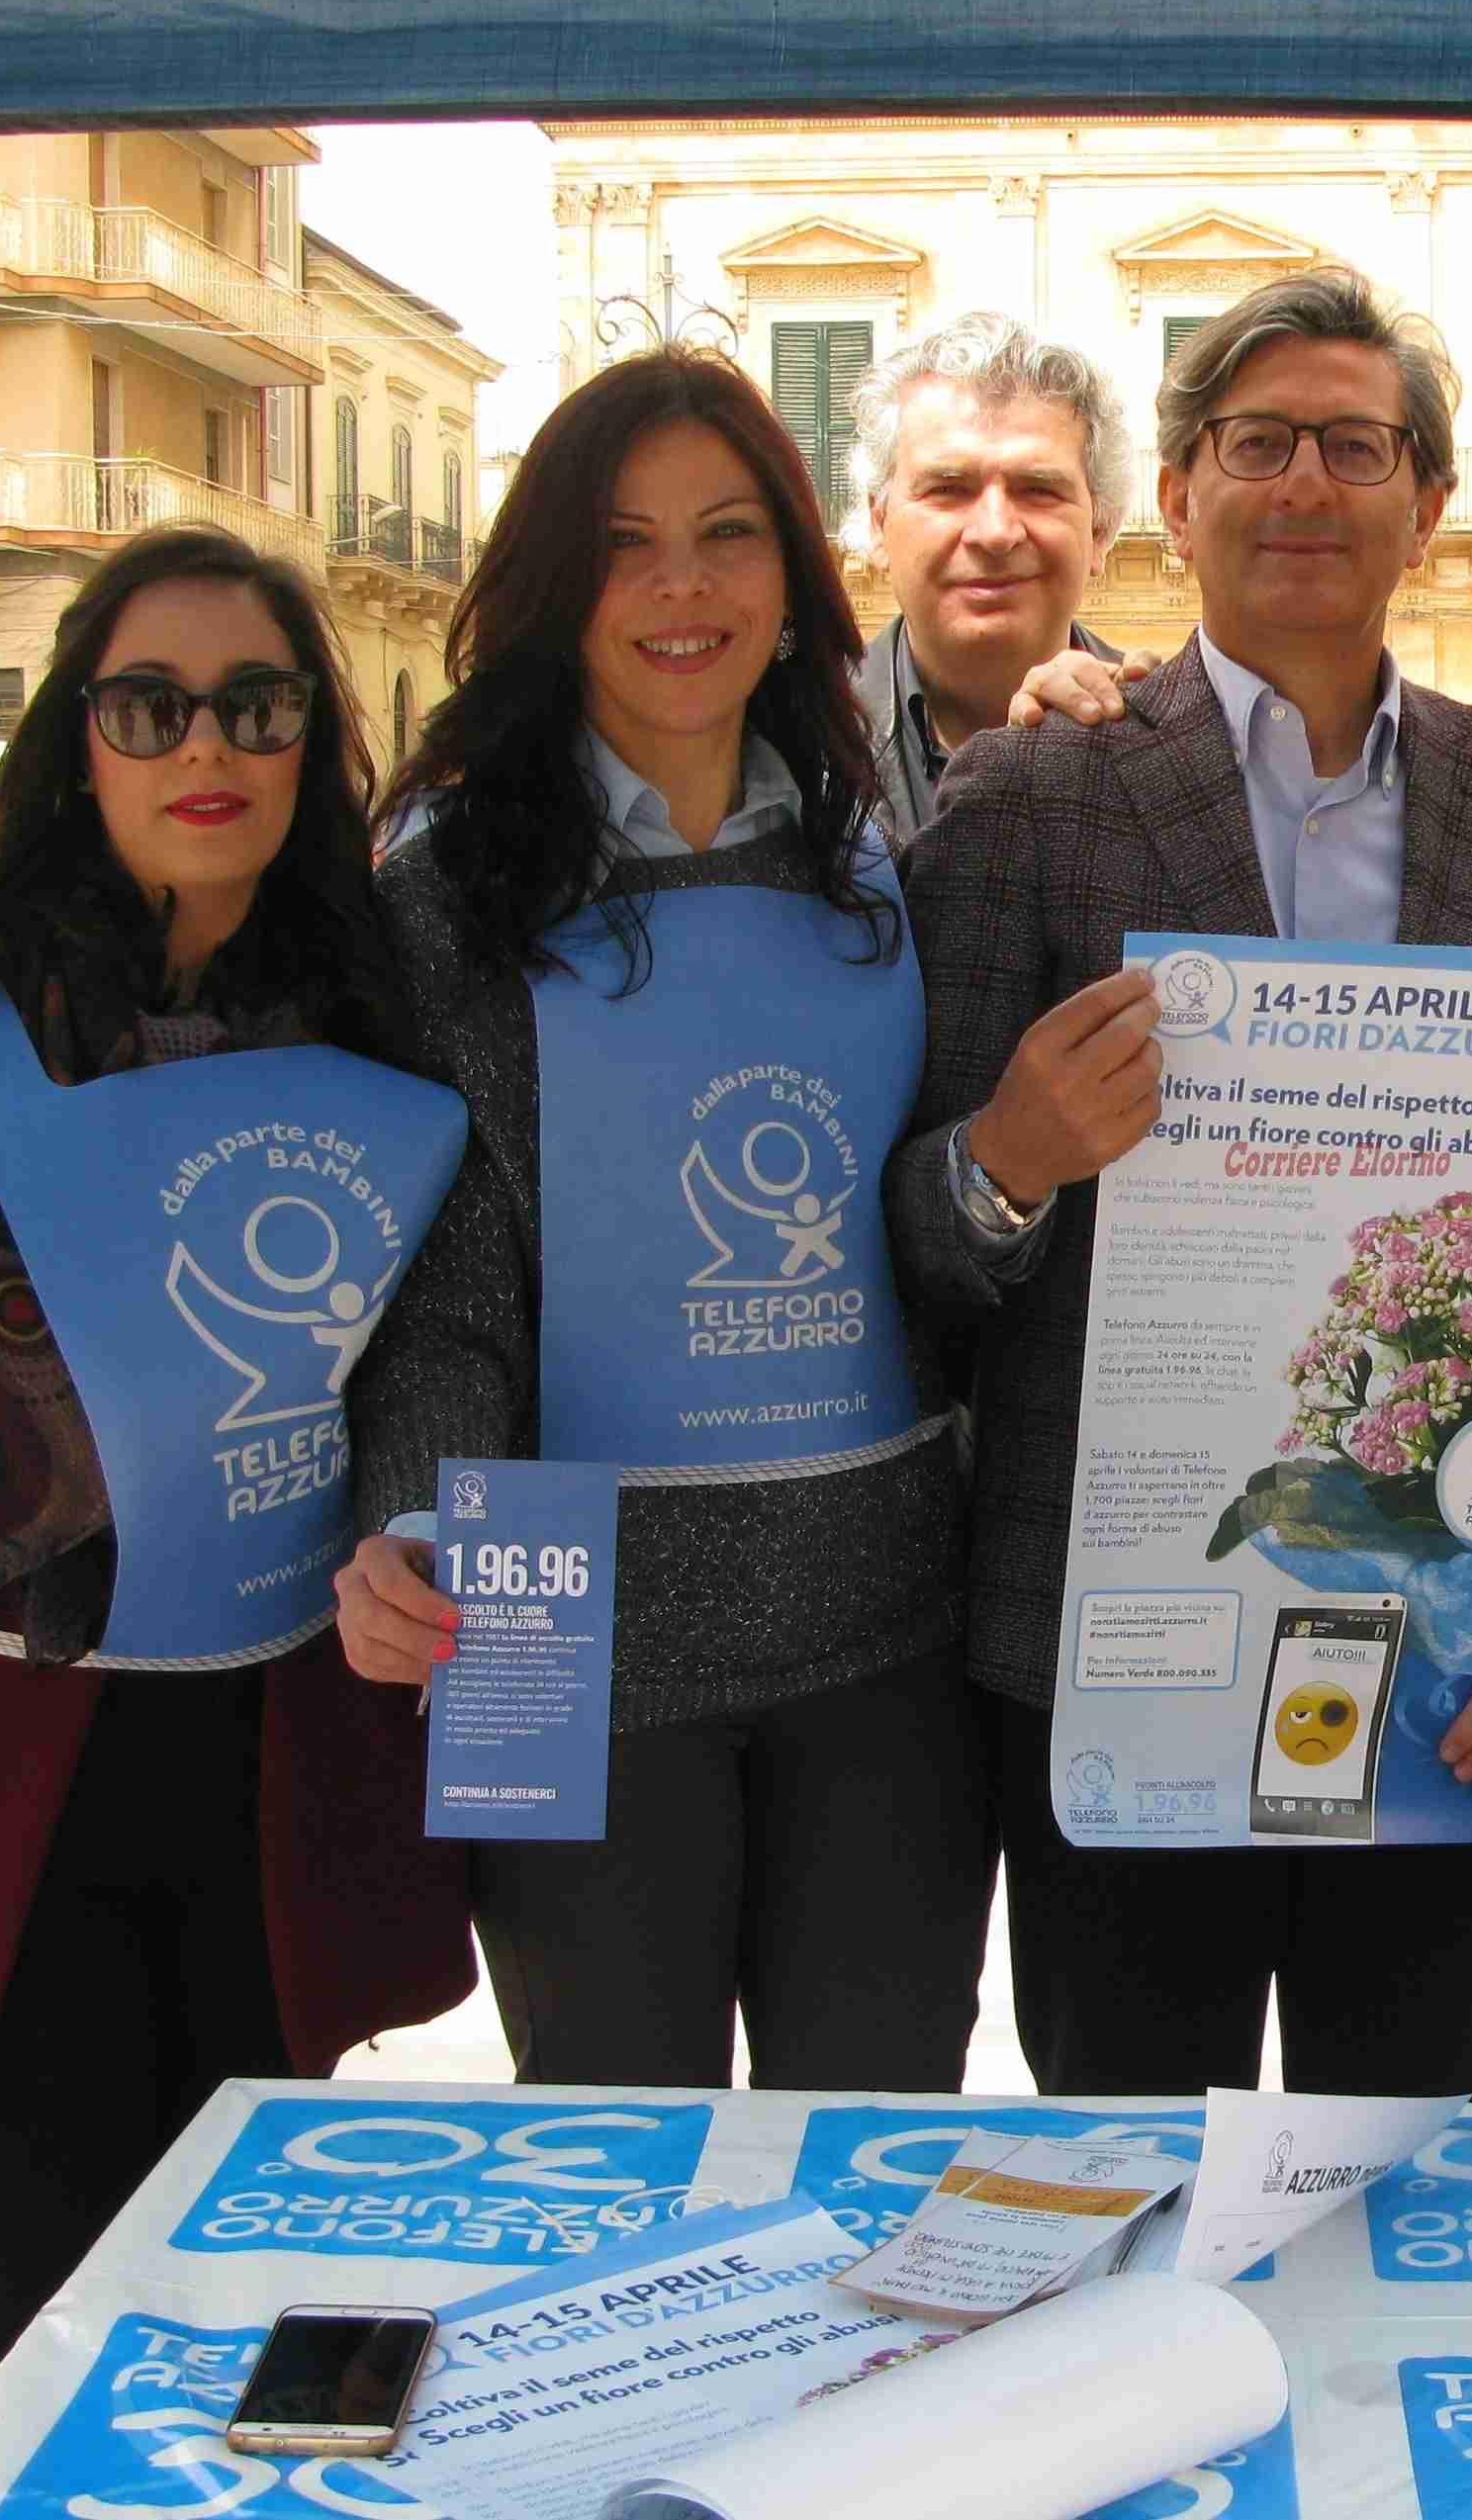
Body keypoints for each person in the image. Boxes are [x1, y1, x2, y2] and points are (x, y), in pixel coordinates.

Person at [889, 266, 1472, 2101]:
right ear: (1176, 497)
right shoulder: (1033, 793)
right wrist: (1011, 1158)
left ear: (1428, 497)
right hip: (1121, 1630)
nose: (1305, 486)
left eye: (1357, 444)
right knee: (1124, 2163)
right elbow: (915, 1243)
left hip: (1434, 1626)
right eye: (1257, 444)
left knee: (1398, 2158)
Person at [0, 525, 472, 2407]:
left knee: (261, 2350)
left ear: (314, 741)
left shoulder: (370, 1027)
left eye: (257, 701)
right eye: (149, 704)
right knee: (45, 2353)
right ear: (82, 736)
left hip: (268, 1787)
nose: (202, 742)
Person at [331, 349, 991, 2094]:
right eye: (624, 545)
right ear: (557, 586)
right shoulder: (448, 895)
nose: (682, 588)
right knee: (625, 2183)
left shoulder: (883, 864)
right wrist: (410, 1515)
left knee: (874, 2160)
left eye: (725, 535)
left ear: (791, 577)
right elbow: (445, 1287)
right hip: (568, 1650)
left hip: (883, 1640)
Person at [850, 311, 1134, 842]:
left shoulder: (1172, 749)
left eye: (1038, 489)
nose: (995, 532)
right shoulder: (790, 750)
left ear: (1099, 530)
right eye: (948, 488)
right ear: (878, 522)